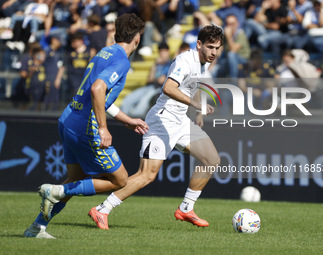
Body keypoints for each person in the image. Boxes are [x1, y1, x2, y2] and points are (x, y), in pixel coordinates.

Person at [23, 13, 148, 239]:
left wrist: (127, 120)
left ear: (116, 33)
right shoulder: (121, 60)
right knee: (120, 180)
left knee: (74, 178)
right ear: (137, 39)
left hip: (68, 119)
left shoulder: (104, 52)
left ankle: (37, 228)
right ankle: (56, 191)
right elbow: (97, 90)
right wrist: (103, 127)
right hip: (85, 127)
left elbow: (100, 97)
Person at [89, 25, 222, 230]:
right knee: (147, 176)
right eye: (210, 47)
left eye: (217, 48)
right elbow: (168, 87)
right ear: (199, 44)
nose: (214, 52)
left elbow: (194, 85)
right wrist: (196, 105)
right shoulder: (185, 60)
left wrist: (197, 113)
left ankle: (186, 208)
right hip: (162, 121)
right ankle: (103, 209)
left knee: (211, 159)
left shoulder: (204, 64)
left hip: (180, 121)